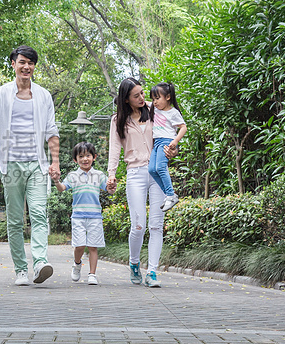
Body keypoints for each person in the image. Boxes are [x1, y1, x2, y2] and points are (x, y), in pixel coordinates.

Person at [0, 46, 60, 286]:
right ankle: (21, 270)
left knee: (38, 213)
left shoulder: (44, 95)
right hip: (11, 163)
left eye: (31, 63)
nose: (27, 67)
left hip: (37, 163)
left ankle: (39, 264)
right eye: (23, 62)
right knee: (15, 220)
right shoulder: (1, 94)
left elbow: (52, 131)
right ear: (13, 64)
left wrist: (55, 161)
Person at [106, 77, 177, 288]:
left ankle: (152, 271)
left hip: (157, 172)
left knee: (156, 225)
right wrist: (111, 174)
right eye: (136, 96)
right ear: (126, 99)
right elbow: (114, 149)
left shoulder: (155, 111)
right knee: (138, 225)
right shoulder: (118, 119)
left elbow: (170, 135)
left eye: (143, 93)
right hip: (135, 174)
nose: (143, 98)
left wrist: (173, 150)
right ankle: (134, 262)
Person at [52, 142, 107, 286]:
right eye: (81, 156)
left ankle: (92, 274)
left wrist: (113, 184)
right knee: (80, 245)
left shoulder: (99, 175)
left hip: (95, 216)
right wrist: (56, 181)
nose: (85, 159)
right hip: (78, 216)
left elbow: (109, 188)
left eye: (88, 155)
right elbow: (62, 188)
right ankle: (77, 264)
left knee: (93, 246)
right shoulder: (73, 175)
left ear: (94, 157)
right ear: (75, 160)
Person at [148, 82, 187, 212]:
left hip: (166, 141)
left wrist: (175, 141)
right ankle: (170, 195)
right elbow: (140, 103)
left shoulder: (173, 112)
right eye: (153, 99)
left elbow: (183, 127)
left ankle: (170, 195)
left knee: (160, 167)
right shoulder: (154, 109)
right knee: (152, 170)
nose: (155, 102)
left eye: (157, 98)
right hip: (156, 142)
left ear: (168, 97)